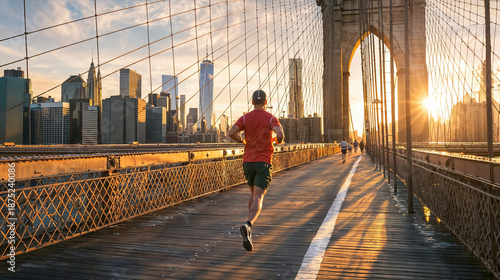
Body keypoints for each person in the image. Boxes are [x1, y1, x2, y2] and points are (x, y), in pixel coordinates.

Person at [228, 90, 284, 252]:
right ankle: (248, 224)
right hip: (263, 162)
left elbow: (231, 132)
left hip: (248, 163)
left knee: (253, 194)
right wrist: (277, 139)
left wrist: (242, 140)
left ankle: (249, 227)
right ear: (266, 102)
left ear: (252, 102)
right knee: (258, 196)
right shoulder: (271, 118)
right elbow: (280, 134)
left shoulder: (245, 118)